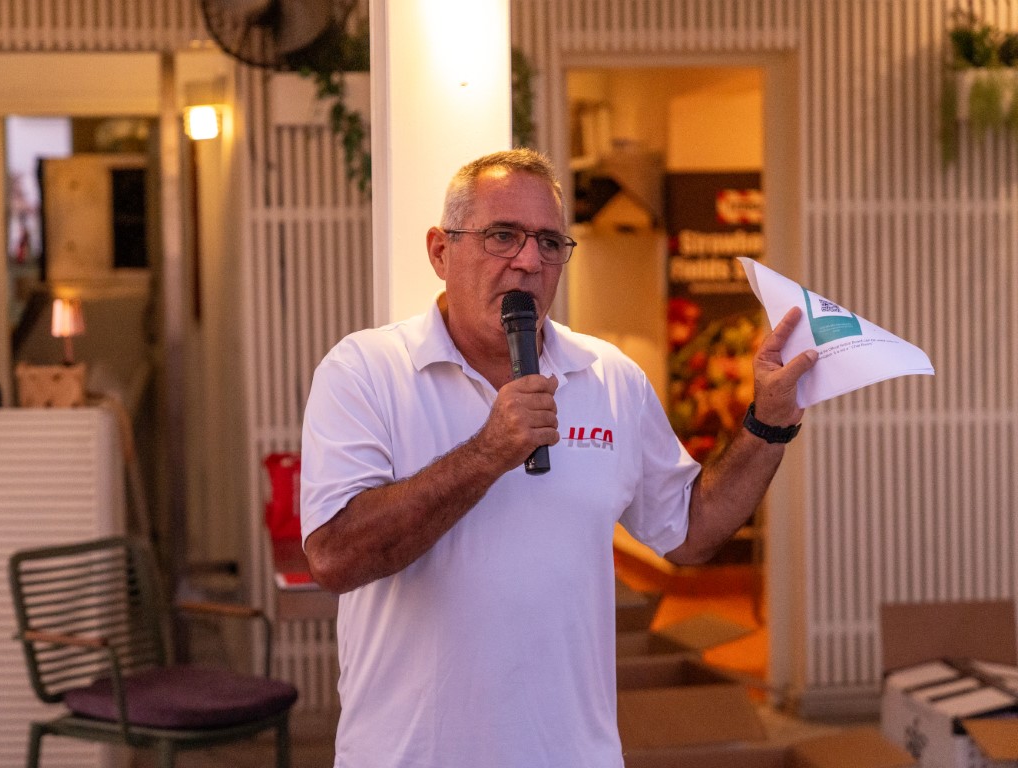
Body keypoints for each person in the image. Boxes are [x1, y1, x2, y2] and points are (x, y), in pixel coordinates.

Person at [299, 148, 817, 768]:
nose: (529, 261)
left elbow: (690, 530)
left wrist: (768, 424)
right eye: (502, 235)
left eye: (549, 242)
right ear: (440, 251)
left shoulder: (609, 378)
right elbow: (334, 558)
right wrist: (488, 452)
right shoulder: (365, 372)